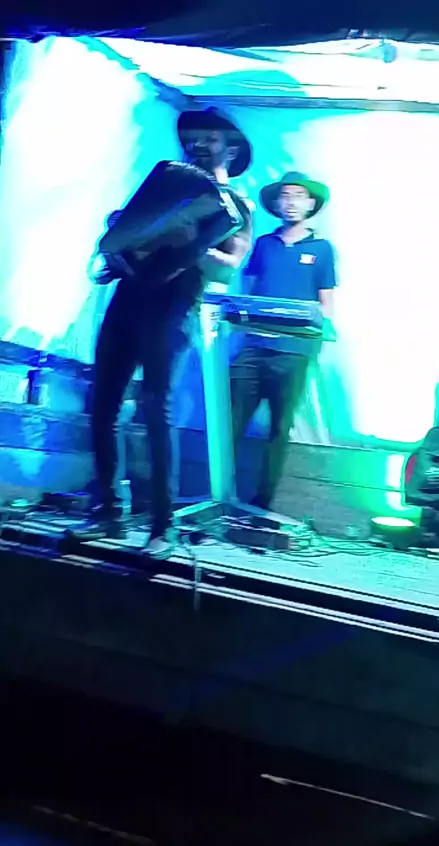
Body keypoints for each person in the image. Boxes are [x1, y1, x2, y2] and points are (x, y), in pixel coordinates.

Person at [76, 108, 252, 556]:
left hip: (174, 306)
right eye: (193, 137)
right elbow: (127, 237)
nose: (198, 144)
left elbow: (227, 269)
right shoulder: (168, 187)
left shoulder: (237, 205)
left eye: (210, 138)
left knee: (157, 410)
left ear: (231, 149)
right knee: (103, 406)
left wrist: (190, 243)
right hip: (128, 299)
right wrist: (124, 240)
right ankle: (109, 513)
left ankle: (162, 526)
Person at [231, 170, 337, 511]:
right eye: (285, 196)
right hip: (253, 348)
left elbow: (326, 303)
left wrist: (316, 332)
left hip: (293, 352)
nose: (290, 203)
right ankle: (220, 496)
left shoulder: (321, 248)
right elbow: (248, 291)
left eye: (298, 196)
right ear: (276, 204)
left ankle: (262, 504)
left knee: (279, 428)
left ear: (310, 204)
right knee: (230, 423)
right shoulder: (264, 243)